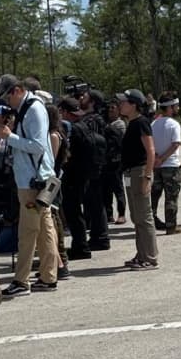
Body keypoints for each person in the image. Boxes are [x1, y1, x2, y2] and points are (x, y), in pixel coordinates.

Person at [0, 75, 61, 297]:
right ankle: (48, 277)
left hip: (33, 181)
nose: (6, 102)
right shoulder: (28, 109)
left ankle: (22, 281)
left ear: (17, 90)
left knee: (27, 232)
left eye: (6, 96)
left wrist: (9, 136)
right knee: (44, 230)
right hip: (34, 179)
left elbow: (38, 146)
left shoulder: (33, 109)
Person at [117, 89, 158, 270]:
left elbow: (150, 151)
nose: (121, 105)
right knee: (136, 216)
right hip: (130, 173)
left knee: (144, 216)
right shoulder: (131, 123)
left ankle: (150, 257)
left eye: (124, 102)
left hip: (140, 172)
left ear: (134, 105)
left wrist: (147, 176)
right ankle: (141, 254)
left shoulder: (141, 123)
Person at [58, 97, 94, 259]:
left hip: (74, 175)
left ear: (65, 112)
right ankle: (80, 244)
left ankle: (81, 246)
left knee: (73, 211)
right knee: (75, 211)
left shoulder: (73, 129)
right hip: (82, 174)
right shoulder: (84, 126)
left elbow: (70, 153)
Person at [79, 90, 111, 250]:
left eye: (84, 97)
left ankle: (101, 237)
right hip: (90, 167)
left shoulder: (95, 120)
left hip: (96, 167)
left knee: (97, 202)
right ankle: (97, 235)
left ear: (92, 102)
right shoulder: (89, 118)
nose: (81, 98)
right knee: (92, 203)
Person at [150, 92, 181, 233]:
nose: (177, 108)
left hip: (157, 166)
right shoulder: (173, 124)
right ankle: (171, 226)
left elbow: (150, 142)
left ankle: (151, 222)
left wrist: (156, 158)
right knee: (171, 197)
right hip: (170, 165)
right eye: (175, 106)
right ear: (169, 108)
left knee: (155, 196)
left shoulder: (154, 123)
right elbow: (175, 144)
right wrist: (163, 158)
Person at [45, 103, 71, 280]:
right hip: (52, 179)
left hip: (52, 181)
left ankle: (61, 257)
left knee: (53, 217)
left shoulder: (54, 136)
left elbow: (51, 161)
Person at [102, 99, 127, 225]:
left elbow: (118, 138)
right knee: (106, 189)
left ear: (118, 110)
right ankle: (109, 214)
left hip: (116, 161)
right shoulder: (106, 123)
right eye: (109, 108)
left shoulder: (120, 124)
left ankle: (121, 214)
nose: (110, 110)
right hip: (106, 161)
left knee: (118, 188)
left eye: (113, 108)